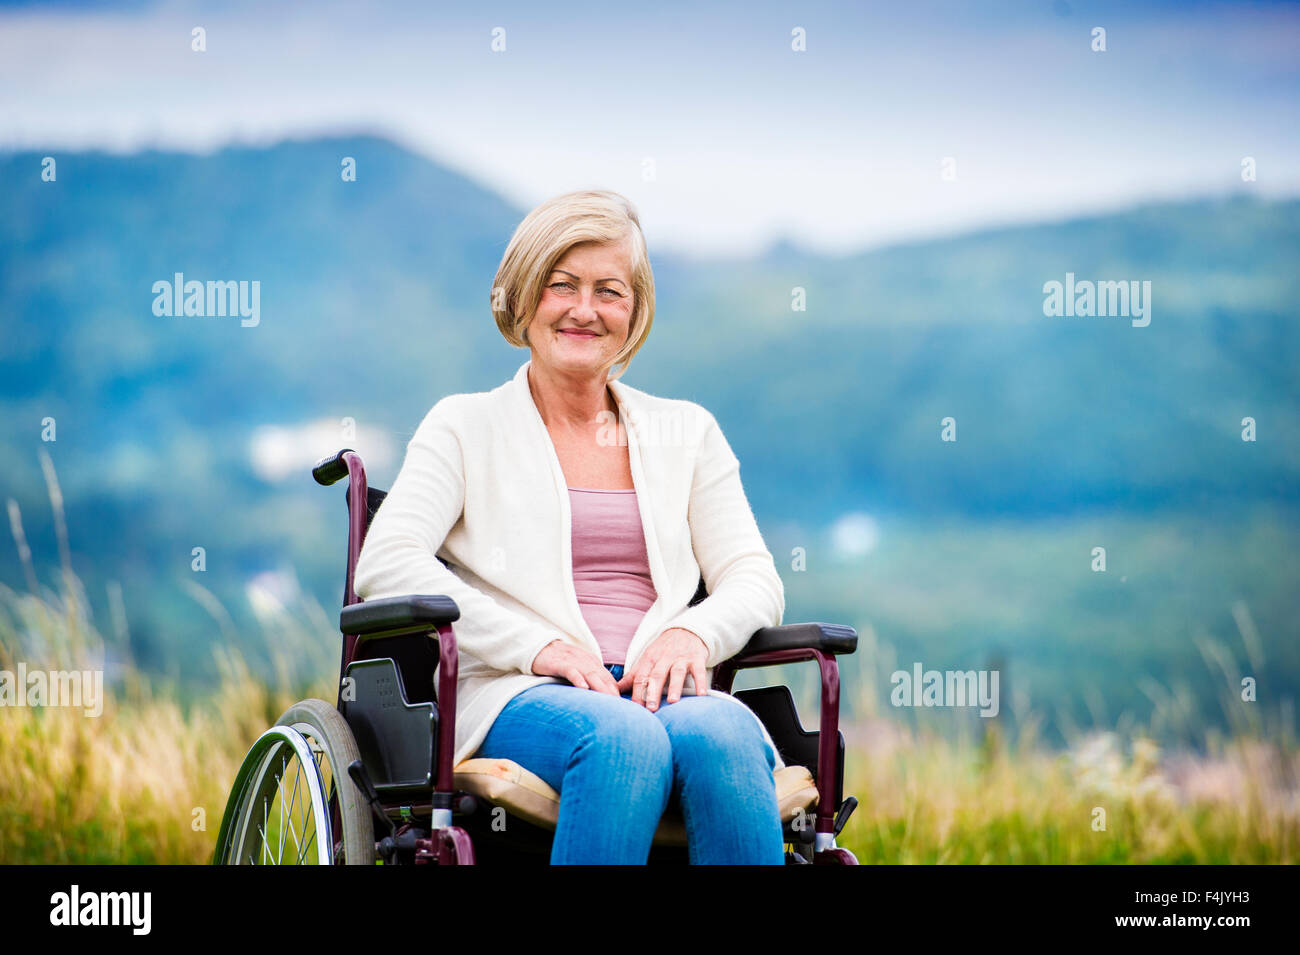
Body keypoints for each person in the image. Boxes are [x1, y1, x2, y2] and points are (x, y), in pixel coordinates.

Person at [353, 189, 787, 864]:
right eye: (563, 285)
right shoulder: (464, 426)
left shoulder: (688, 432)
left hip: (665, 693)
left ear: (635, 312)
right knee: (622, 738)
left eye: (609, 291)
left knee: (725, 732)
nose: (585, 309)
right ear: (525, 300)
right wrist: (540, 646)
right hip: (520, 693)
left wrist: (692, 631)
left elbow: (754, 577)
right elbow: (387, 561)